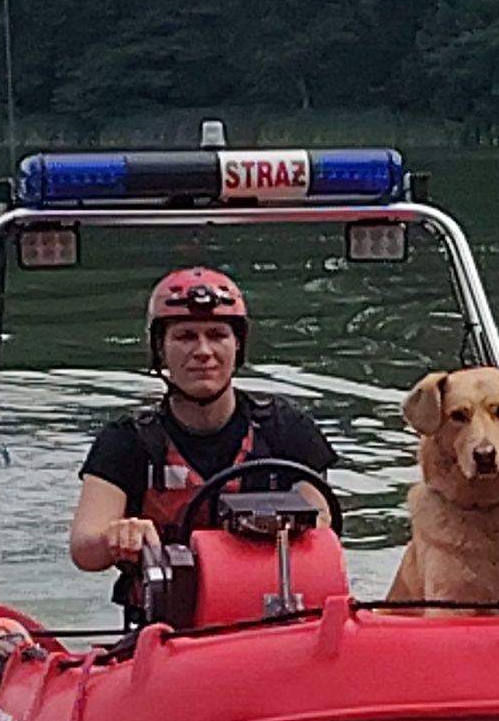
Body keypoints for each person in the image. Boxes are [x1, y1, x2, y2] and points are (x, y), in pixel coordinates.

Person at [69, 266, 339, 621]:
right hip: (164, 630)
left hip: (271, 623)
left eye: (217, 335)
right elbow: (84, 547)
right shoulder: (127, 441)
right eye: (185, 337)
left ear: (238, 344)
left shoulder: (287, 430)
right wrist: (116, 537)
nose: (203, 351)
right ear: (160, 349)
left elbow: (322, 522)